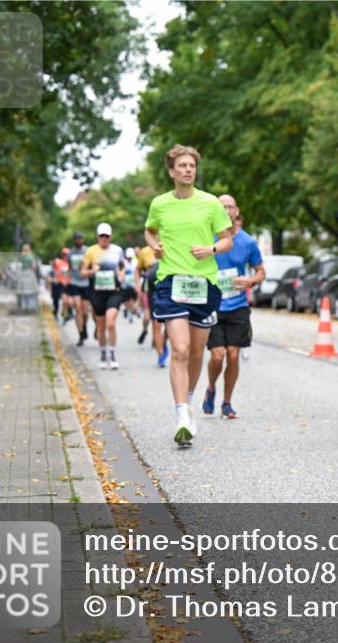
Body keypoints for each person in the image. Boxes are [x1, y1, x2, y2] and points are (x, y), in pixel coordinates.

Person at [145, 144, 233, 446]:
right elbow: (150, 230)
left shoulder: (210, 203)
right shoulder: (159, 204)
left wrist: (209, 249)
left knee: (197, 353)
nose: (187, 170)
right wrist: (154, 245)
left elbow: (226, 240)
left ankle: (190, 400)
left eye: (191, 166)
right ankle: (182, 415)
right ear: (171, 171)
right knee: (180, 349)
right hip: (171, 282)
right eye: (181, 165)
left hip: (204, 284)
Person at [201, 195, 264, 418]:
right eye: (222, 207)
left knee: (234, 355)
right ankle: (210, 389)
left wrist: (251, 281)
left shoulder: (248, 242)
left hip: (238, 305)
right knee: (217, 356)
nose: (226, 210)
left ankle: (227, 402)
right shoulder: (208, 237)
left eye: (230, 207)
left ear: (237, 212)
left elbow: (260, 271)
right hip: (213, 305)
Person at [81, 223, 127, 370]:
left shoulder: (117, 250)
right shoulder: (91, 251)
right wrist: (91, 271)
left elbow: (123, 266)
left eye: (107, 236)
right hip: (97, 292)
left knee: (111, 323)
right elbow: (82, 272)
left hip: (114, 291)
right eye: (102, 236)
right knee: (101, 326)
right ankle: (102, 353)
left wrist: (121, 274)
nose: (104, 238)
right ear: (97, 237)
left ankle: (112, 353)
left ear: (111, 236)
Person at [67, 232, 92, 345]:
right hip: (75, 282)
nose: (79, 241)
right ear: (74, 240)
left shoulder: (87, 251)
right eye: (77, 239)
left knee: (85, 312)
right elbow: (70, 268)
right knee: (78, 309)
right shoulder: (70, 253)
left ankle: (85, 327)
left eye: (81, 238)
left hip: (85, 283)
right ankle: (81, 334)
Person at [16, 243, 41, 313]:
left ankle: (23, 307)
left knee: (23, 291)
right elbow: (34, 267)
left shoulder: (21, 256)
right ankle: (31, 307)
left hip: (23, 274)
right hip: (30, 274)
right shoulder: (31, 256)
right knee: (31, 291)